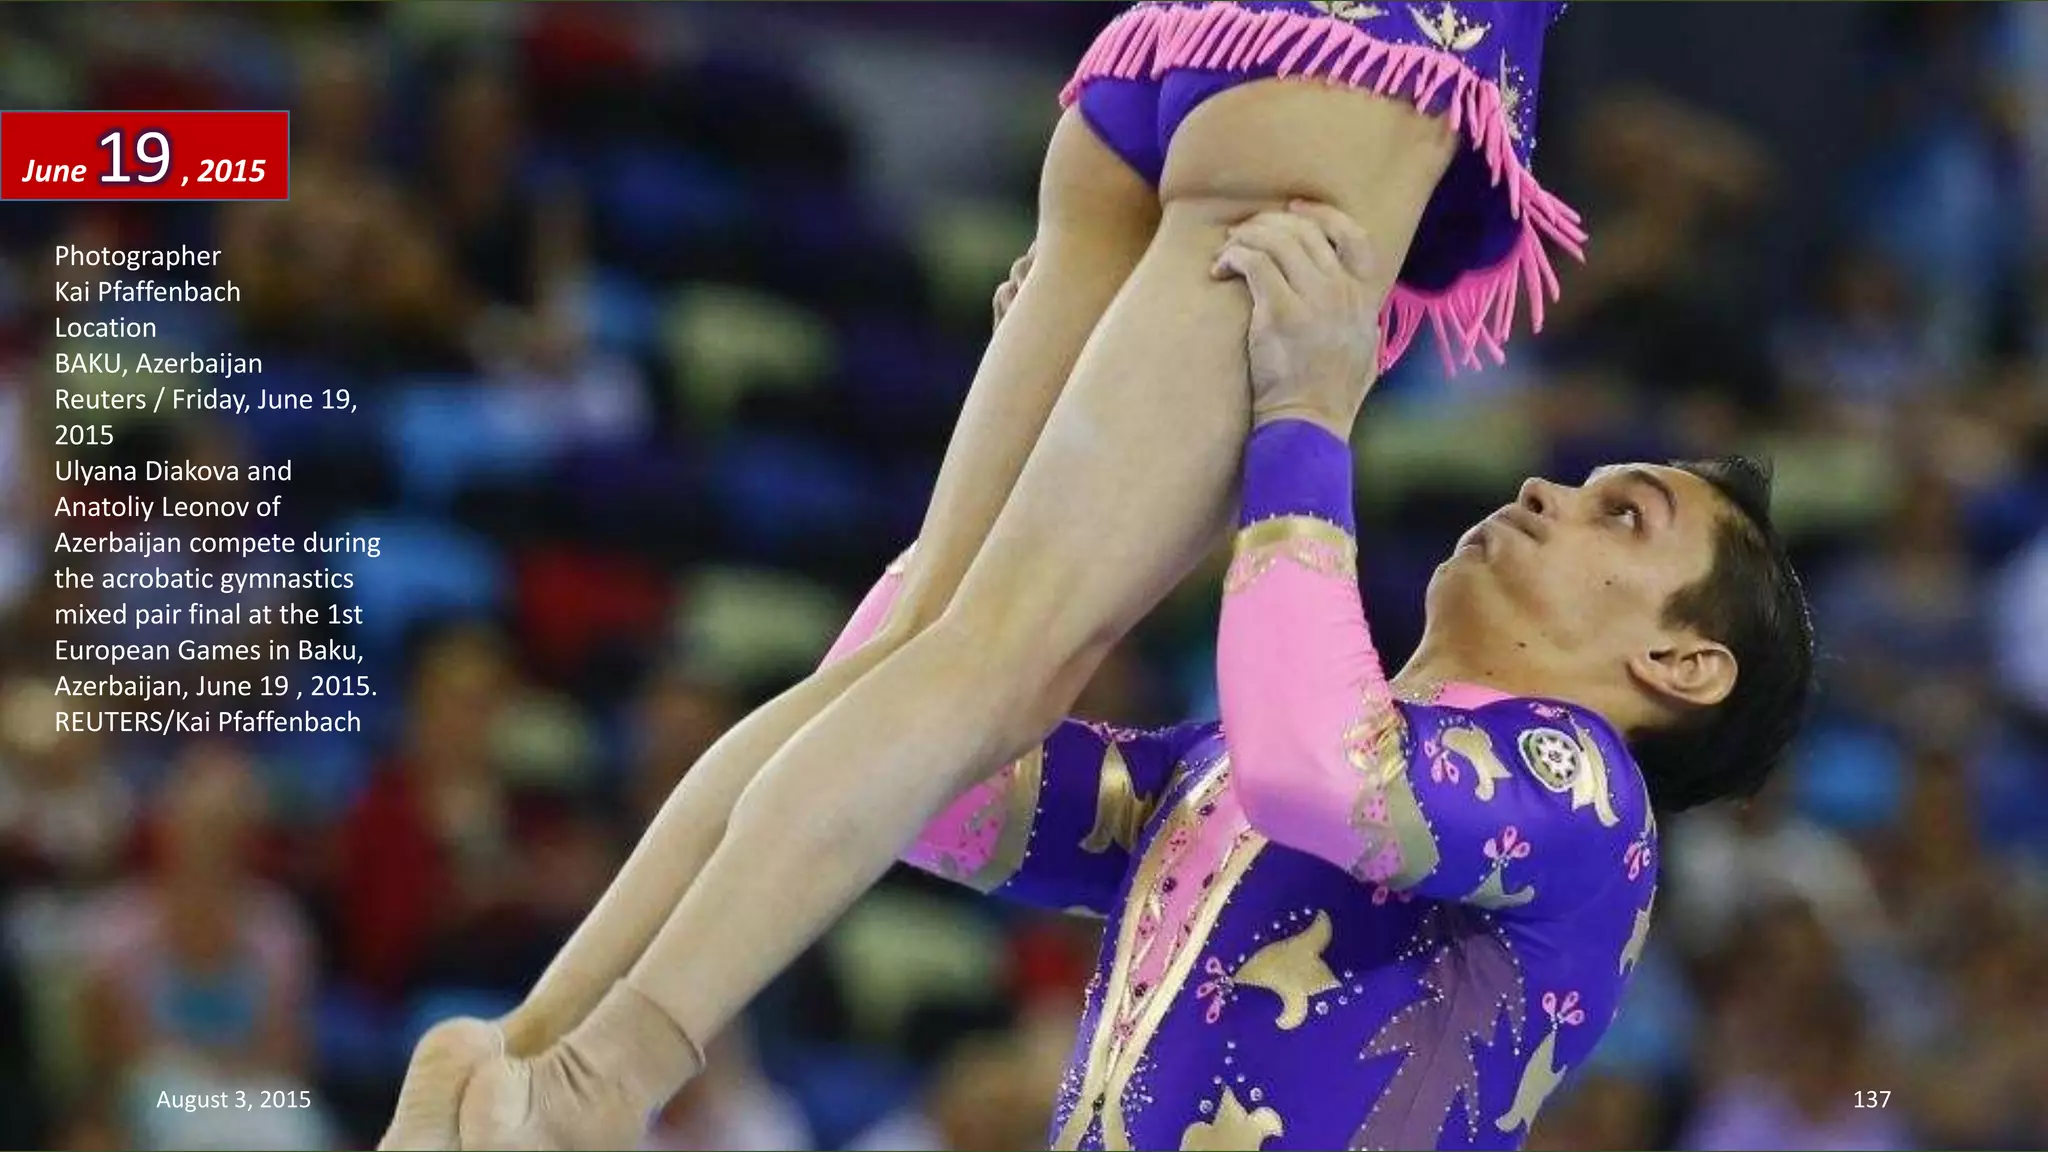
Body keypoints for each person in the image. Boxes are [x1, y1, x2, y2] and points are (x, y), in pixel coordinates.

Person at [380, 3, 1602, 1140]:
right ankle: (602, 1080)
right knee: (991, 666)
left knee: (922, 640)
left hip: (1177, 61)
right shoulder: (1586, 814)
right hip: (1346, 91)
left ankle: (518, 1052)